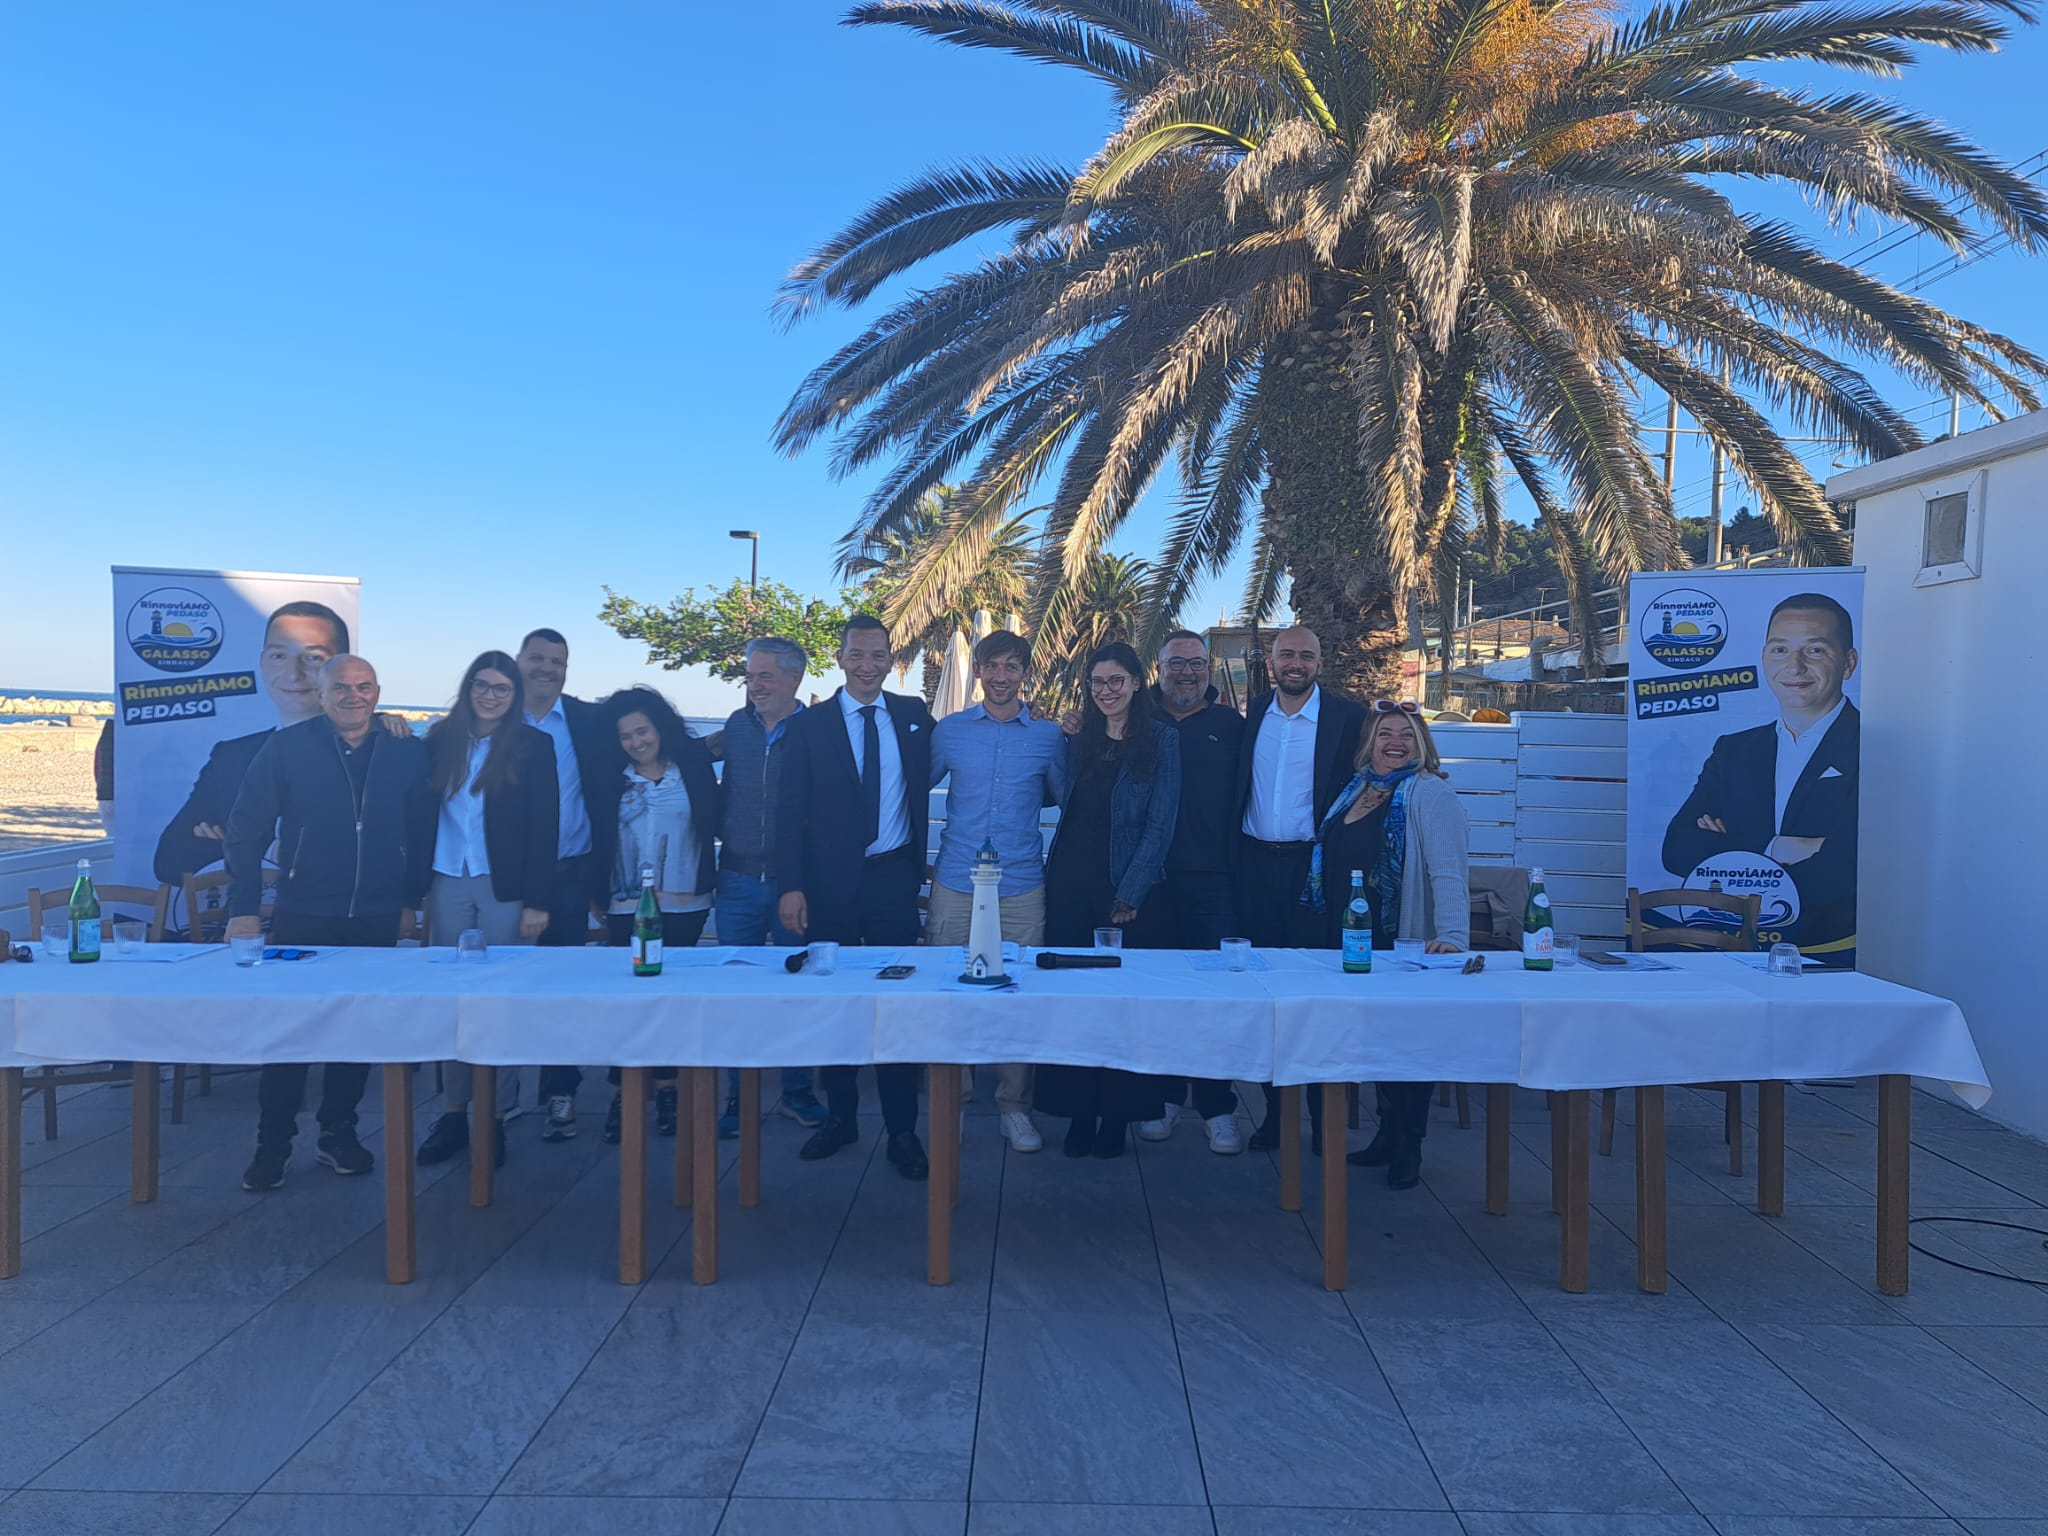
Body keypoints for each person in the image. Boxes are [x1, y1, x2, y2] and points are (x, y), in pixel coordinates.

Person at [224, 655, 432, 1193]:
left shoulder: (406, 750)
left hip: (377, 915)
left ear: (378, 692)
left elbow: (422, 828)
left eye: (364, 687)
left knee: (355, 1030)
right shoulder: (287, 748)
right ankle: (272, 1145)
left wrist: (411, 899)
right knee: (289, 1032)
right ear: (319, 693)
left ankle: (338, 1132)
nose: (352, 696)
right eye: (340, 687)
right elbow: (245, 829)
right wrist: (243, 907)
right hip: (303, 913)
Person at [776, 614, 934, 1180]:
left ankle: (903, 1131)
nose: (869, 665)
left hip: (892, 882)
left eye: (879, 655)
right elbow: (787, 811)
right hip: (827, 888)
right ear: (840, 659)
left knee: (899, 1004)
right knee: (836, 1004)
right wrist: (790, 885)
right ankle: (841, 1118)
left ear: (892, 660)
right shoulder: (807, 727)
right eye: (858, 654)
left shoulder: (914, 717)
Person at [1302, 701, 1469, 1188]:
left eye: (1406, 735)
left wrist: (1452, 936)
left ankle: (1408, 1144)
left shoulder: (1429, 792)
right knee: (1375, 1041)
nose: (1395, 743)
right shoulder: (1356, 788)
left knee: (1409, 1043)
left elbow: (1448, 870)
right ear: (1369, 743)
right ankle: (1385, 1135)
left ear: (1422, 744)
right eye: (1385, 734)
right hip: (1350, 938)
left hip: (1400, 939)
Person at [414, 652, 560, 1169]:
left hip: (507, 887)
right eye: (482, 685)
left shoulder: (534, 746)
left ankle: (495, 1117)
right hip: (447, 880)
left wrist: (538, 901)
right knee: (454, 1002)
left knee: (501, 1002)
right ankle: (454, 1114)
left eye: (502, 688)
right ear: (468, 687)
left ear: (514, 695)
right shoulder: (439, 740)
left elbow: (546, 826)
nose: (490, 696)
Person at [926, 629, 1069, 1153]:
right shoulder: (949, 731)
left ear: (1026, 673)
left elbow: (1072, 799)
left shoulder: (1049, 736)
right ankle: (953, 1100)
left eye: (1012, 667)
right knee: (947, 988)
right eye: (992, 666)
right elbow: (905, 787)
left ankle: (1015, 1106)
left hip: (1022, 883)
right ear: (979, 672)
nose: (1001, 676)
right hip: (956, 880)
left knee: (1020, 992)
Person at [1036, 642, 1181, 1159]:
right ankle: (1078, 1112)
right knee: (1074, 1002)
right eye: (1097, 682)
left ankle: (1116, 1117)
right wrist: (1057, 733)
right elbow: (1054, 794)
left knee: (1121, 1005)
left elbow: (1161, 823)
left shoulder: (1162, 739)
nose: (1106, 691)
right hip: (1070, 883)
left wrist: (1131, 892)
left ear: (1138, 682)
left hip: (1125, 890)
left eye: (1116, 680)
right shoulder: (1080, 736)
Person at [153, 600, 409, 888]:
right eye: (278, 656)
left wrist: (237, 844)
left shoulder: (384, 750)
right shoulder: (232, 757)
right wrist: (271, 851)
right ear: (262, 662)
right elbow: (170, 861)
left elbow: (391, 851)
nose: (293, 673)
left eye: (313, 658)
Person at [1660, 592, 1860, 957]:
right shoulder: (1735, 750)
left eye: (1815, 650)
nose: (1794, 666)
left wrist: (1731, 851)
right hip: (1728, 948)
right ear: (1765, 658)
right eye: (1780, 650)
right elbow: (1677, 849)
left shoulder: (1873, 746)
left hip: (1832, 951)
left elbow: (1852, 867)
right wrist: (1777, 848)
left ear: (1848, 663)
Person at [1231, 625, 1367, 1148]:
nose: (1296, 663)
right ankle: (1276, 1116)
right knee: (1268, 996)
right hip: (1255, 869)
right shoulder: (1250, 715)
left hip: (1316, 874)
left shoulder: (1348, 718)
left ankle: (1323, 1121)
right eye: (1286, 654)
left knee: (1318, 995)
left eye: (1306, 656)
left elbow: (1386, 763)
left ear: (1319, 663)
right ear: (1271, 662)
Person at [591, 687, 722, 1142]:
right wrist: (594, 893)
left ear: (660, 728)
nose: (636, 742)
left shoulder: (693, 771)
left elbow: (717, 818)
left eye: (642, 731)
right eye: (626, 735)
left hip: (686, 902)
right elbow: (596, 836)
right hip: (625, 904)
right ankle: (622, 1091)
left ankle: (668, 1088)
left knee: (672, 998)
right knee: (628, 1000)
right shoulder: (611, 777)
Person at [711, 636, 828, 1135]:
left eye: (765, 676)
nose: (754, 685)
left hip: (792, 885)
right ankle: (739, 1097)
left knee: (794, 991)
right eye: (750, 676)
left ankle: (797, 1092)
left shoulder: (819, 730)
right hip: (735, 880)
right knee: (736, 994)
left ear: (794, 679)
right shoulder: (735, 727)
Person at [1141, 628, 1246, 1153]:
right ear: (1158, 668)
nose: (1187, 673)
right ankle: (1162, 1098)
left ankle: (1216, 1105)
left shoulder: (1233, 726)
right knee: (1160, 995)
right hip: (1150, 881)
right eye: (1176, 663)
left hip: (1215, 882)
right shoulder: (1137, 719)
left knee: (1215, 998)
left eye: (1196, 663)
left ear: (1208, 668)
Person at [517, 628, 616, 1142]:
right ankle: (490, 1100)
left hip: (570, 875)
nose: (546, 668)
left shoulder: (588, 721)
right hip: (502, 879)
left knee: (562, 988)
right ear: (518, 661)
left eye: (556, 661)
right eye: (537, 658)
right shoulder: (492, 713)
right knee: (498, 987)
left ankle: (561, 1091)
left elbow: (644, 747)